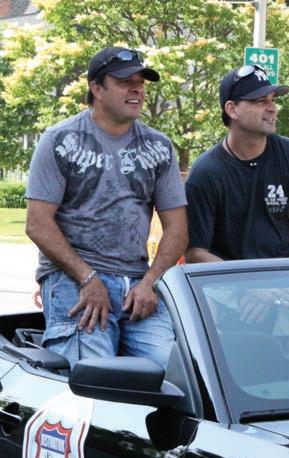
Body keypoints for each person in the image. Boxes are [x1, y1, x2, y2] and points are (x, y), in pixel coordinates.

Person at [25, 46, 188, 369]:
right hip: (74, 280)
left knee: (176, 373)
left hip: (138, 284)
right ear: (96, 88)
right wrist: (87, 278)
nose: (137, 90)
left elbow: (178, 228)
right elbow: (37, 224)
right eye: (125, 82)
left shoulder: (159, 146)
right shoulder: (60, 140)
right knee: (95, 378)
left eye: (140, 82)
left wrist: (151, 282)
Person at [185, 64, 289, 377]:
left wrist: (277, 281)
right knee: (202, 358)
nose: (272, 108)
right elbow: (196, 252)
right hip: (221, 285)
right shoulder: (206, 172)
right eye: (259, 101)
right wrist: (246, 285)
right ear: (232, 109)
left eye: (272, 100)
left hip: (284, 281)